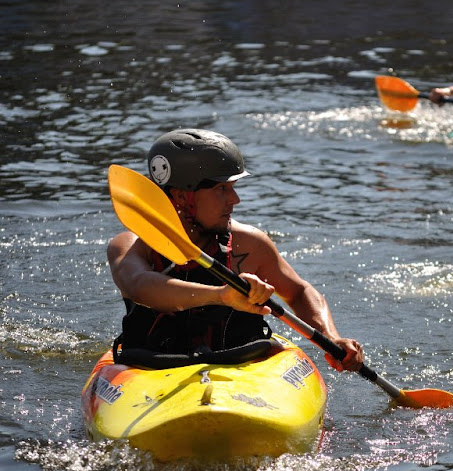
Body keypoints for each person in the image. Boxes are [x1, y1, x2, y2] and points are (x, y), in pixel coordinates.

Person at [107, 128, 364, 372]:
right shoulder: (131, 246)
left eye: (233, 188)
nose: (235, 199)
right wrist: (222, 296)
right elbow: (139, 286)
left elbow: (298, 292)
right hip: (151, 366)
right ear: (182, 196)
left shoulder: (250, 244)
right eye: (221, 189)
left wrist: (331, 337)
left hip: (242, 363)